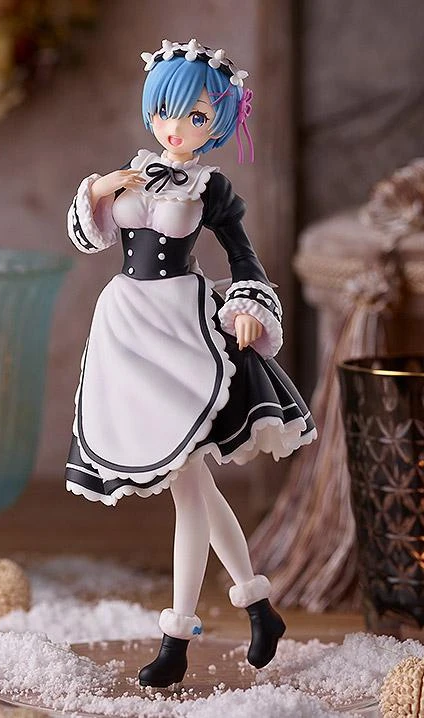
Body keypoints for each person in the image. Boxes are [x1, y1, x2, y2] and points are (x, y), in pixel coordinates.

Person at [65, 39, 317, 688]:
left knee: (189, 485)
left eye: (195, 116)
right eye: (164, 112)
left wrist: (248, 306)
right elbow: (90, 235)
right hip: (128, 329)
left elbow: (244, 258)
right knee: (193, 483)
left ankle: (178, 635)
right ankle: (257, 608)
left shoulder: (212, 187)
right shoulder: (132, 171)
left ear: (220, 121)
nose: (175, 128)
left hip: (182, 329)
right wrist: (98, 189)